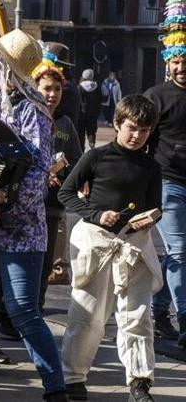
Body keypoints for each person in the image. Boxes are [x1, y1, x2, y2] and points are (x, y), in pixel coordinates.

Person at [0, 29, 68, 402]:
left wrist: (6, 201)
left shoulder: (33, 109)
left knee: (22, 309)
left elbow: (38, 169)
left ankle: (55, 389)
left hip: (22, 227)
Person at [54, 94, 161, 402]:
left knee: (138, 315)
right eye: (131, 128)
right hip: (97, 244)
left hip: (134, 245)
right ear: (116, 124)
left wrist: (150, 218)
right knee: (88, 313)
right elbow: (66, 193)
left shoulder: (151, 167)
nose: (137, 135)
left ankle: (140, 380)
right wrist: (96, 214)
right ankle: (73, 379)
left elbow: (156, 205)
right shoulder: (96, 157)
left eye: (144, 130)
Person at [33, 55, 83, 307]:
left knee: (46, 258)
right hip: (28, 202)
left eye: (57, 89)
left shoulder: (65, 124)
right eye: (46, 89)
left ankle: (38, 303)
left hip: (52, 204)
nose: (52, 94)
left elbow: (77, 159)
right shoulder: (26, 117)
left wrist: (63, 172)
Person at [145, 49, 186, 347]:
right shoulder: (157, 96)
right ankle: (184, 318)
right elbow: (139, 138)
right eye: (176, 61)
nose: (181, 67)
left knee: (179, 254)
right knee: (180, 249)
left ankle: (158, 311)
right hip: (168, 183)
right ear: (168, 63)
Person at [78, 69, 102, 150]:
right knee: (91, 130)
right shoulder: (96, 86)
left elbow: (79, 100)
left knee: (81, 130)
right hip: (93, 112)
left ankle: (81, 147)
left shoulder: (80, 86)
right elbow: (99, 100)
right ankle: (92, 144)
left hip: (82, 112)